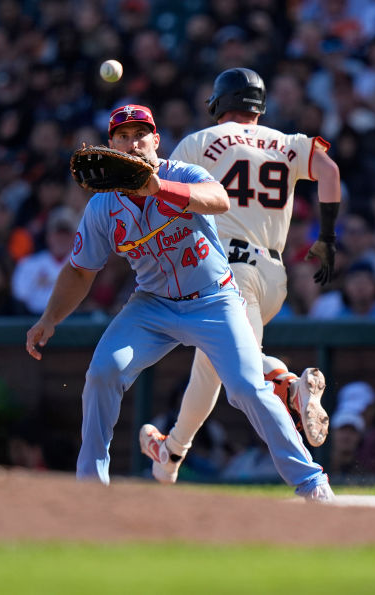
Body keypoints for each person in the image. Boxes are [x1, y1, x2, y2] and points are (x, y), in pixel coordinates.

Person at [24, 103, 333, 501]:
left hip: (214, 299)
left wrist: (158, 189)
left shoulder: (180, 173)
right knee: (103, 371)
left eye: (140, 135)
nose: (133, 144)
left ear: (156, 140)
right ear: (111, 145)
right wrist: (49, 319)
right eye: (123, 137)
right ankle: (90, 489)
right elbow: (81, 271)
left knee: (246, 389)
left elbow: (218, 199)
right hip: (152, 305)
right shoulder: (103, 205)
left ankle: (312, 483)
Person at [137, 68, 342, 484]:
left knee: (237, 374)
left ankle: (286, 384)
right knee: (210, 368)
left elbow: (165, 196)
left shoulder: (199, 141)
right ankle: (171, 453)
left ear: (218, 102)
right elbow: (331, 172)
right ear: (260, 107)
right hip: (273, 274)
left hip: (225, 270)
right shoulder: (287, 142)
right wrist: (327, 237)